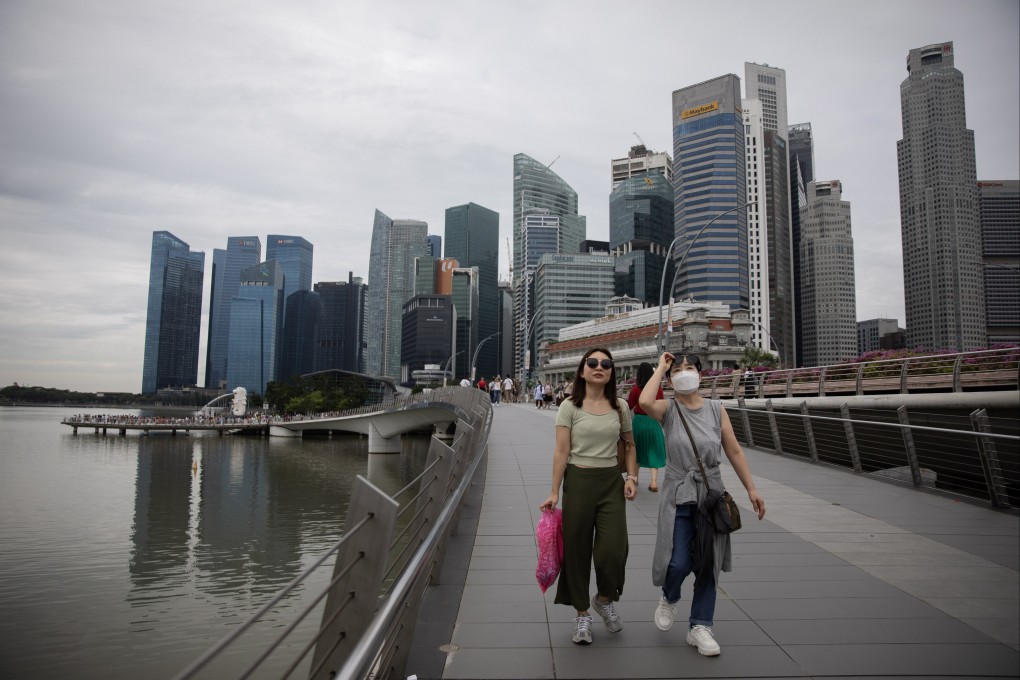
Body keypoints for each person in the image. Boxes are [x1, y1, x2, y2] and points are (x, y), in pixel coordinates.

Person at [638, 351, 766, 657]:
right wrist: (660, 367)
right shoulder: (667, 409)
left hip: (710, 495)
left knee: (708, 563)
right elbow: (643, 402)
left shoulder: (715, 409)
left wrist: (751, 489)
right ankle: (669, 597)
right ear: (669, 380)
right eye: (678, 370)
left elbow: (734, 451)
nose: (685, 373)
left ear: (701, 374)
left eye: (690, 368)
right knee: (678, 560)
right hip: (679, 494)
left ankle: (700, 626)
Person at [539, 348, 638, 646]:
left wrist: (631, 477)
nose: (599, 367)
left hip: (610, 483)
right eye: (592, 363)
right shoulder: (569, 406)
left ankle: (604, 598)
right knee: (577, 550)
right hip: (578, 483)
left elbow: (630, 445)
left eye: (606, 364)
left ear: (611, 372)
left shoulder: (620, 406)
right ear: (582, 370)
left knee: (613, 549)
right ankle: (582, 613)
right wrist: (554, 491)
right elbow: (561, 451)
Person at [627, 362, 666, 492]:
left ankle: (635, 478)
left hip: (638, 421)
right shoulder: (658, 388)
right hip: (653, 420)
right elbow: (661, 404)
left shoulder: (635, 389)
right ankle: (654, 482)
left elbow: (629, 406)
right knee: (653, 450)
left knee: (636, 449)